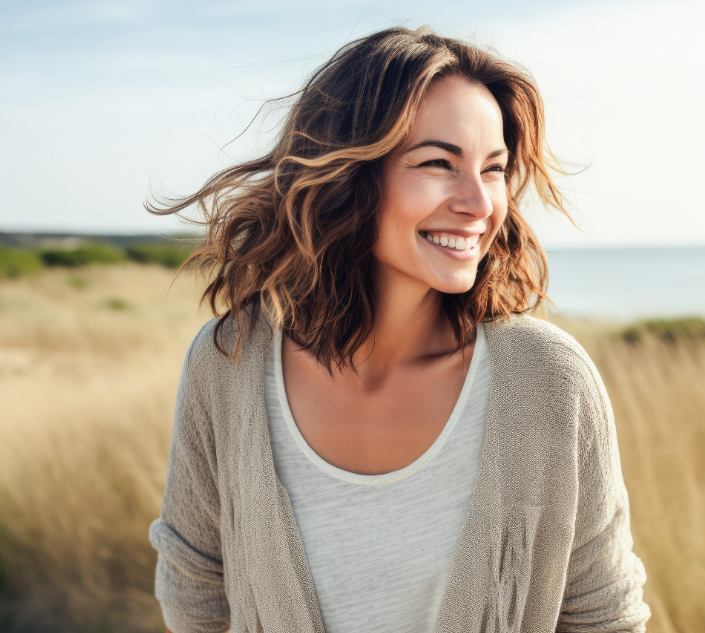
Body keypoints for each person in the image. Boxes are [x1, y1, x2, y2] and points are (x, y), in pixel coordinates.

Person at [147, 26, 650, 633]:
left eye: (493, 170)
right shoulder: (228, 364)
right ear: (350, 175)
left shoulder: (549, 383)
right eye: (439, 163)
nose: (479, 203)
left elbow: (603, 617)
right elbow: (195, 590)